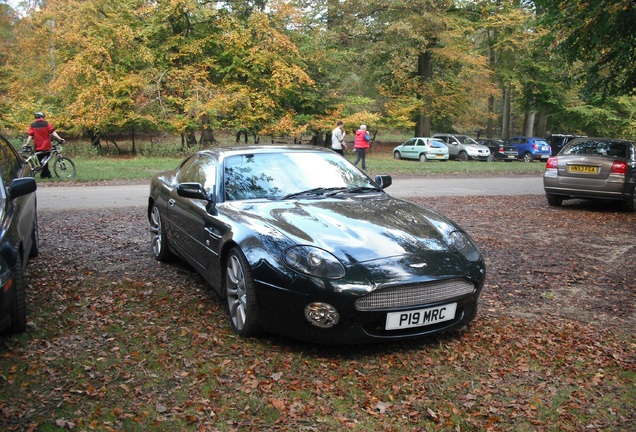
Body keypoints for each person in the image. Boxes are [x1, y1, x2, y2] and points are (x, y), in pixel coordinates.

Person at [25, 112, 64, 179]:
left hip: (37, 146)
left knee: (42, 162)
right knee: (45, 162)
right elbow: (53, 132)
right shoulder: (46, 124)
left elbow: (30, 135)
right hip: (46, 146)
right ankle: (46, 175)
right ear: (42, 117)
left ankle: (45, 175)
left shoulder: (32, 125)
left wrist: (27, 143)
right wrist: (59, 138)